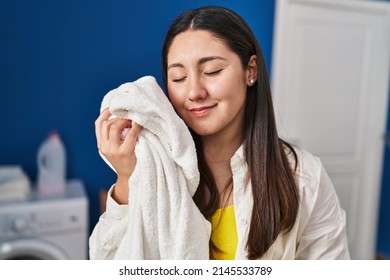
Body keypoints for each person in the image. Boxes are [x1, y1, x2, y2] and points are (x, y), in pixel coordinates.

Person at [90, 6, 350, 260]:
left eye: (212, 71)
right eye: (179, 78)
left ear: (251, 71)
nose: (194, 92)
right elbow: (108, 260)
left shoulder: (303, 177)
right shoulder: (156, 169)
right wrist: (126, 179)